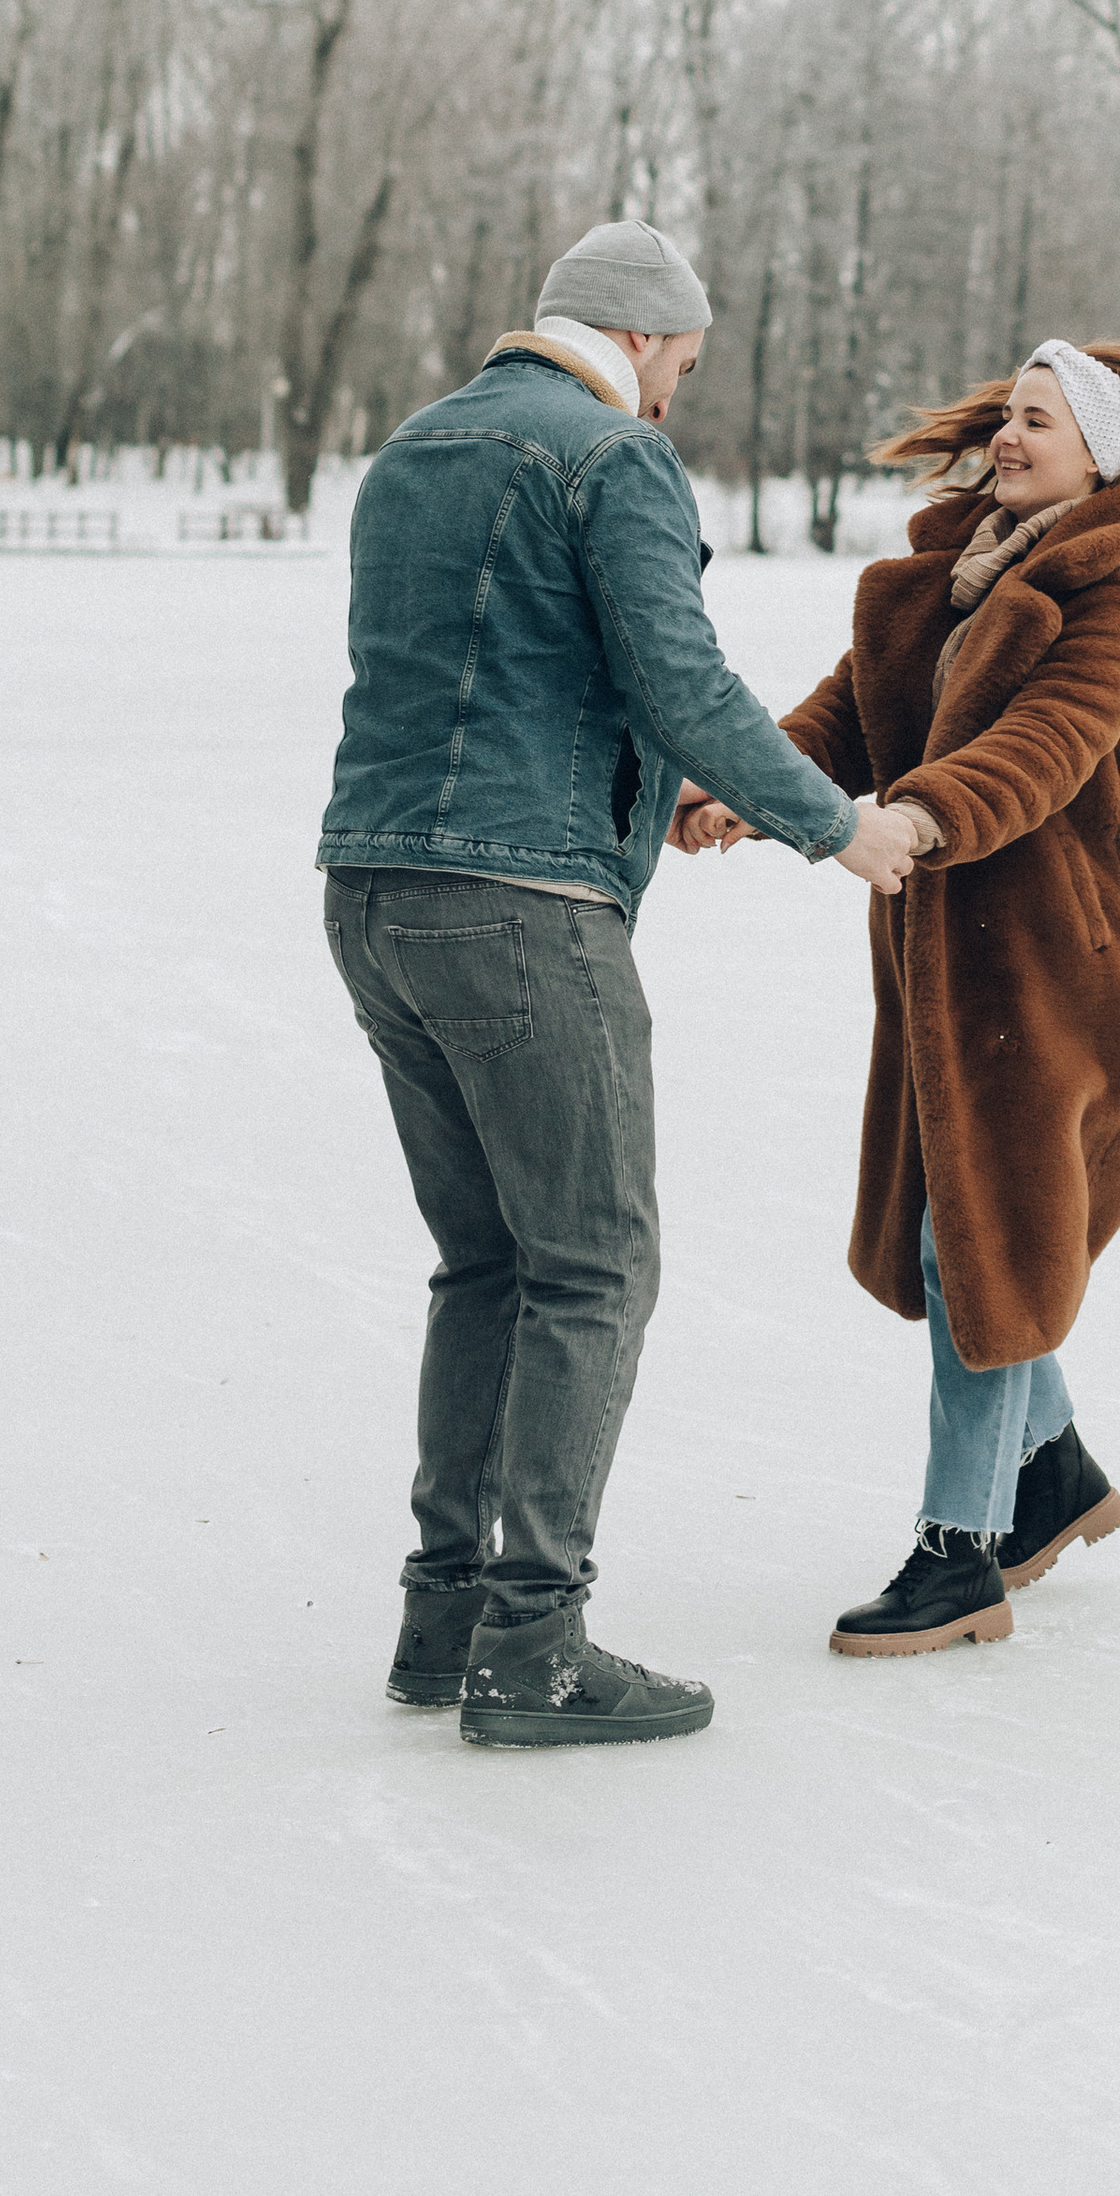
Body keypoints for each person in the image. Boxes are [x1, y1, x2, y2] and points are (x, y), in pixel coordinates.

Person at [315, 218, 919, 1750]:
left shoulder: (412, 450)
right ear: (645, 344)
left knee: (489, 1261)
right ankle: (534, 1645)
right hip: (522, 911)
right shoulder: (609, 456)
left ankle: (442, 1613)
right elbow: (678, 676)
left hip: (373, 891)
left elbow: (501, 672)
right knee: (593, 1263)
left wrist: (674, 798)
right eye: (685, 372)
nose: (674, 404)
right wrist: (834, 823)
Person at [683, 337, 1120, 1657]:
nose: (1011, 437)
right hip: (942, 948)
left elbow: (1041, 749)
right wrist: (749, 789)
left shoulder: (1119, 598)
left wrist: (916, 815)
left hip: (1058, 956)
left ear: (1106, 456)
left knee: (973, 1236)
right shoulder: (942, 580)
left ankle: (961, 1551)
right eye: (1012, 415)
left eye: (1042, 421)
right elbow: (843, 717)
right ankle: (1054, 1474)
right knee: (977, 1222)